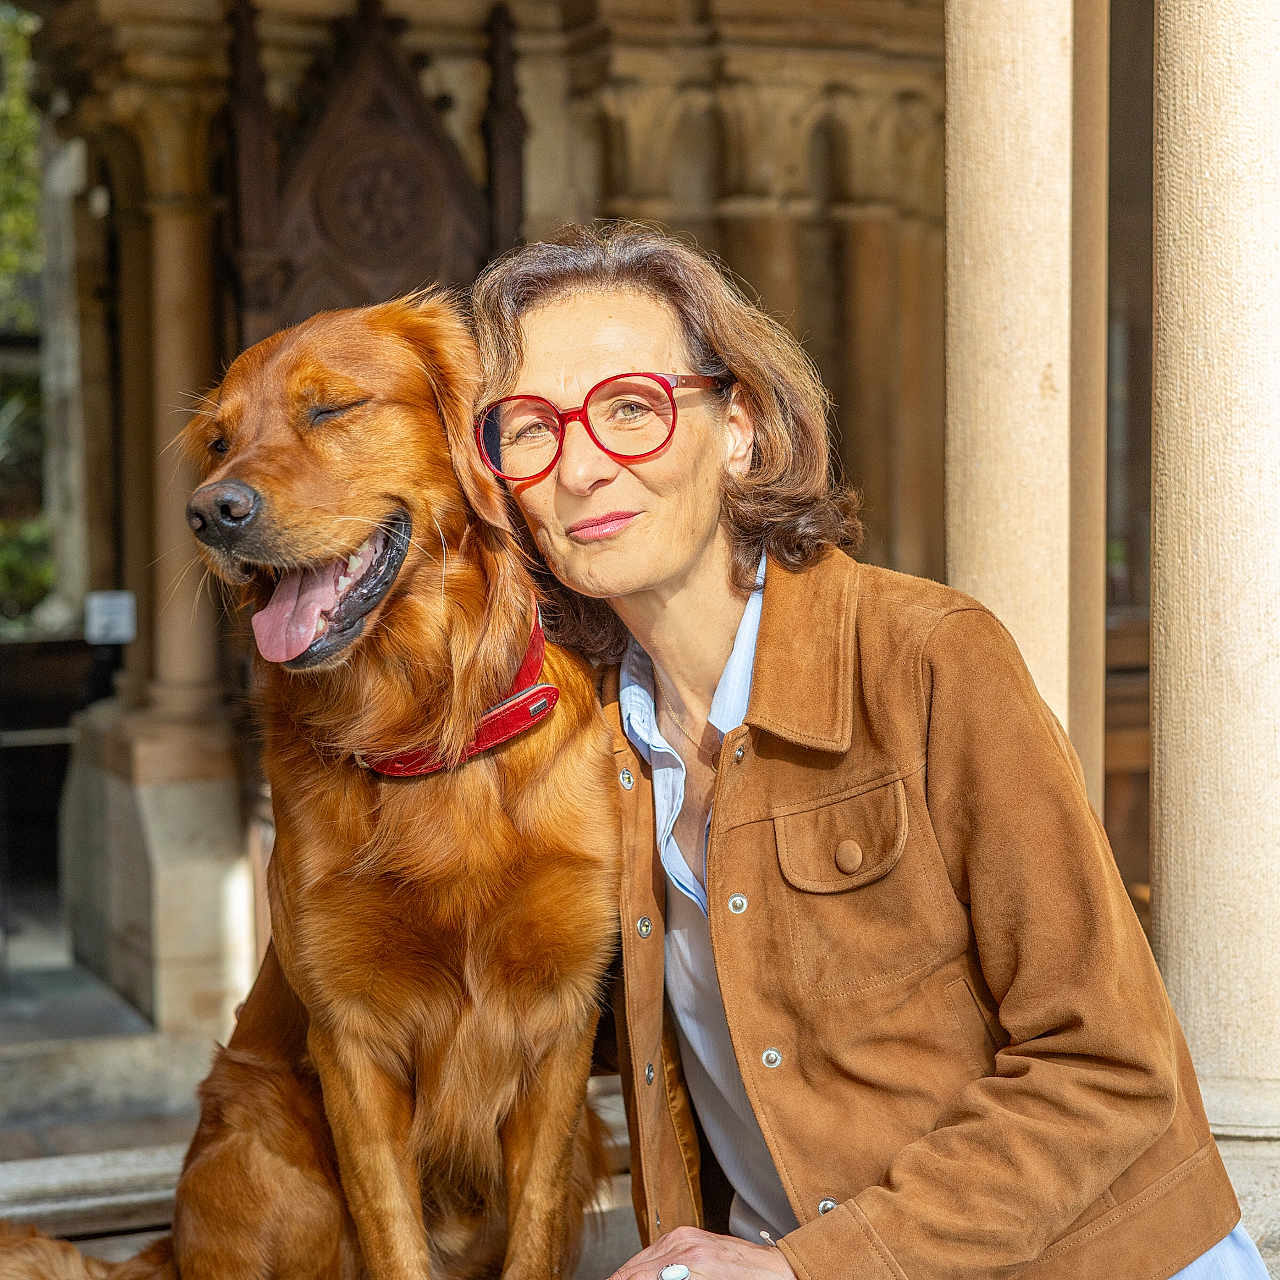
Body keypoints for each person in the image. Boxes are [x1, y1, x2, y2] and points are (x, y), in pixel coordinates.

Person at [466, 221, 1271, 1280]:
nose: (579, 465)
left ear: (739, 427)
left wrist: (811, 1266)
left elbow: (1105, 1065)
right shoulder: (582, 737)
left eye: (631, 408)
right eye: (528, 427)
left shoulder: (928, 658)